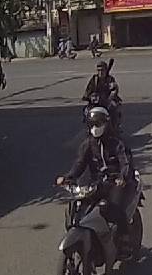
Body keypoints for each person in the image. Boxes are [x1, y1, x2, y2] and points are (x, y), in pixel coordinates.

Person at [55, 106, 139, 251]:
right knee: (79, 205)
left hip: (116, 183)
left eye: (98, 124)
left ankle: (124, 238)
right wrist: (68, 177)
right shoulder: (88, 144)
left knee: (112, 208)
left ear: (106, 123)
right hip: (97, 183)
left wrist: (122, 177)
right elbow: (79, 164)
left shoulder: (117, 144)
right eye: (91, 124)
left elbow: (125, 163)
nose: (95, 128)